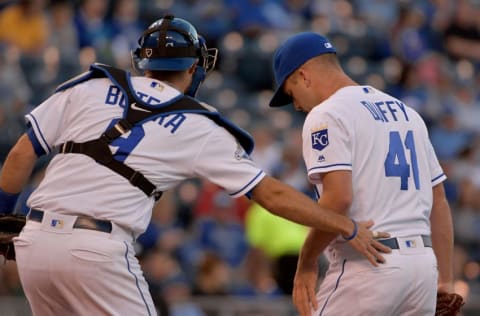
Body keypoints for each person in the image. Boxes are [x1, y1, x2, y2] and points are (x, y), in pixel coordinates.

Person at [0, 16, 389, 315]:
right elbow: (268, 193)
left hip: (34, 243)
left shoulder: (91, 85)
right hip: (95, 250)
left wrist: (3, 216)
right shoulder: (198, 122)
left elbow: (20, 155)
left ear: (142, 61)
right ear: (193, 67)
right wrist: (345, 225)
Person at [268, 31, 457, 316]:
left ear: (304, 76)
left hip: (369, 263)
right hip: (422, 269)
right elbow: (438, 200)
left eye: (291, 93)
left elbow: (339, 199)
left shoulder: (327, 114)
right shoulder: (406, 112)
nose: (295, 105)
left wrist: (306, 261)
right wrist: (446, 279)